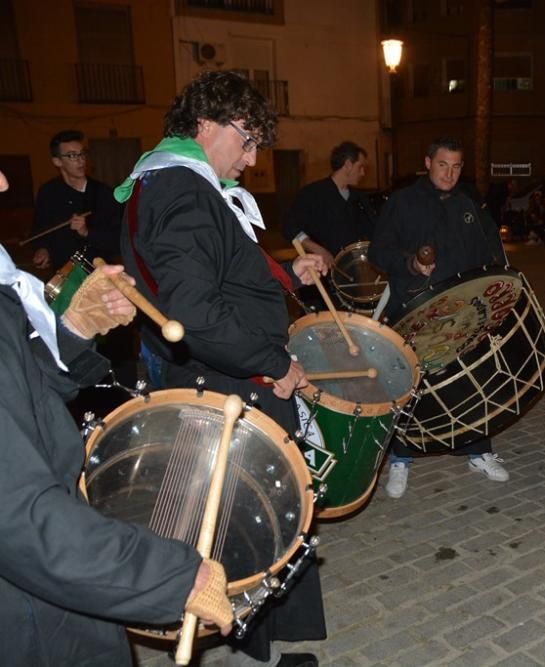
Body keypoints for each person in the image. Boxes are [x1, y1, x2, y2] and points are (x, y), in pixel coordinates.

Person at [116, 70, 327, 666]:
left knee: (249, 522)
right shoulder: (181, 189)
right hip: (234, 383)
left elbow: (220, 265)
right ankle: (252, 653)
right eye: (247, 139)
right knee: (250, 524)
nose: (253, 157)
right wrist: (272, 364)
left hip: (226, 378)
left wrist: (286, 272)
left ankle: (261, 647)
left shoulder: (175, 180)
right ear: (205, 125)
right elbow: (196, 309)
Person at [1, 208, 232, 664]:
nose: (4, 186)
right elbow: (18, 517)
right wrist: (177, 578)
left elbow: (25, 399)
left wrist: (72, 330)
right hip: (26, 611)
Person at [369, 137, 509, 498]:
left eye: (457, 166)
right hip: (414, 307)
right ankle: (400, 459)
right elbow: (378, 251)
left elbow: (488, 251)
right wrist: (411, 263)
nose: (450, 173)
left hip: (462, 312)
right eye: (443, 164)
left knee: (472, 378)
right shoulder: (402, 202)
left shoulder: (467, 203)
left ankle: (478, 451)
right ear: (428, 162)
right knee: (411, 384)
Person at [31, 130, 122, 272]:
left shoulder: (104, 194)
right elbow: (40, 228)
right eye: (72, 155)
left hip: (98, 275)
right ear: (57, 161)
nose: (81, 160)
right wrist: (42, 249)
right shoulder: (48, 193)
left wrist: (87, 232)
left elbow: (118, 240)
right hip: (63, 276)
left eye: (82, 153)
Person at [282, 140, 376, 268]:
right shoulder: (312, 194)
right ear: (348, 165)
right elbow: (290, 228)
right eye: (360, 167)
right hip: (319, 271)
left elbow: (373, 230)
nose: (363, 173)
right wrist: (318, 249)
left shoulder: (359, 198)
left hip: (352, 273)